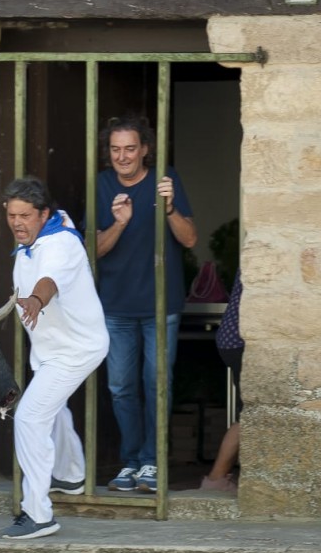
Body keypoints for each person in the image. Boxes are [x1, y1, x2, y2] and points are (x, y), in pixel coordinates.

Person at [0, 177, 109, 540]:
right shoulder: (30, 242)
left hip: (76, 349)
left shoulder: (60, 244)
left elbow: (49, 280)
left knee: (29, 417)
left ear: (44, 214)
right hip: (50, 350)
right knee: (52, 409)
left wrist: (35, 300)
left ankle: (38, 513)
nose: (17, 222)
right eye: (12, 215)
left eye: (26, 216)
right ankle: (72, 473)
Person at [95, 115, 198, 494]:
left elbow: (189, 240)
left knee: (157, 385)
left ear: (145, 150)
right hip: (115, 306)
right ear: (109, 152)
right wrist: (120, 223)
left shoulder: (165, 180)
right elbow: (93, 250)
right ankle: (131, 462)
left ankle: (152, 462)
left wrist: (169, 208)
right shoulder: (102, 184)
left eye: (130, 148)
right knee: (121, 387)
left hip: (161, 306)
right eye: (116, 149)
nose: (123, 156)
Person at [201, 269, 243, 492]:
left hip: (231, 339)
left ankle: (216, 479)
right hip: (238, 340)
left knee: (247, 415)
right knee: (248, 416)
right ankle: (216, 480)